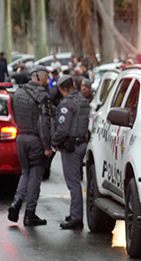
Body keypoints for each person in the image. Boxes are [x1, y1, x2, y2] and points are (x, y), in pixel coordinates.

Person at [8, 65, 53, 226]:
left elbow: (12, 115)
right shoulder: (42, 96)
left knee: (25, 172)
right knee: (35, 176)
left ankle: (16, 202)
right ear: (41, 78)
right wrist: (47, 146)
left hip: (20, 138)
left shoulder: (17, 92)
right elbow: (44, 123)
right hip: (35, 140)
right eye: (46, 78)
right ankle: (29, 213)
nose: (47, 81)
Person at [51, 75, 90, 229]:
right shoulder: (83, 100)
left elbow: (62, 128)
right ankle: (75, 212)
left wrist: (54, 143)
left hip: (71, 147)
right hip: (82, 143)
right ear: (73, 85)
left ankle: (76, 218)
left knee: (73, 183)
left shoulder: (67, 103)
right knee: (76, 181)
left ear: (61, 89)